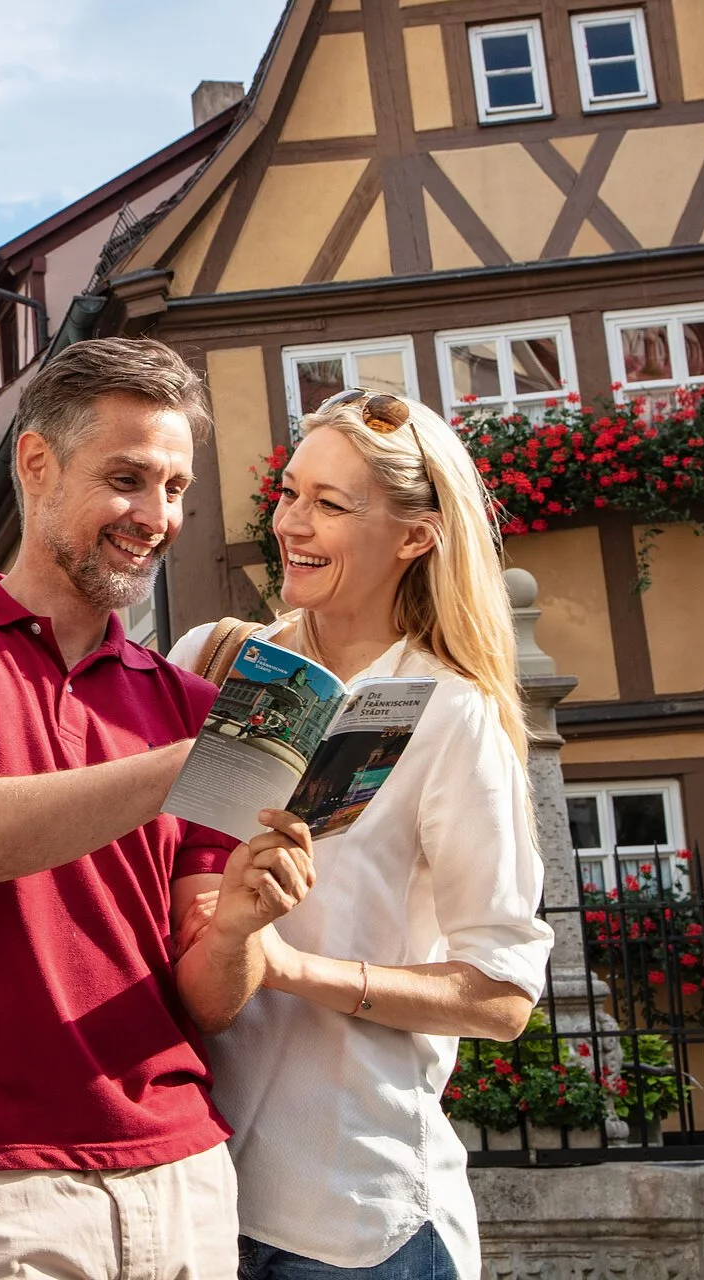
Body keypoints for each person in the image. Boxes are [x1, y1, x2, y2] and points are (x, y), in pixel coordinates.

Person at [0, 339, 311, 1280]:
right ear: (36, 464)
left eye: (174, 487)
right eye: (126, 479)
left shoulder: (188, 707)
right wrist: (188, 767)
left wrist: (245, 921)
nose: (157, 517)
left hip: (184, 1171)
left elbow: (205, 994)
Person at [168, 388, 551, 1280]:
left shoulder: (451, 716)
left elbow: (501, 994)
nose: (291, 524)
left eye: (331, 505)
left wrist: (291, 968)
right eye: (290, 492)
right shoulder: (211, 659)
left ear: (416, 536)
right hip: (193, 1198)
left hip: (354, 1216)